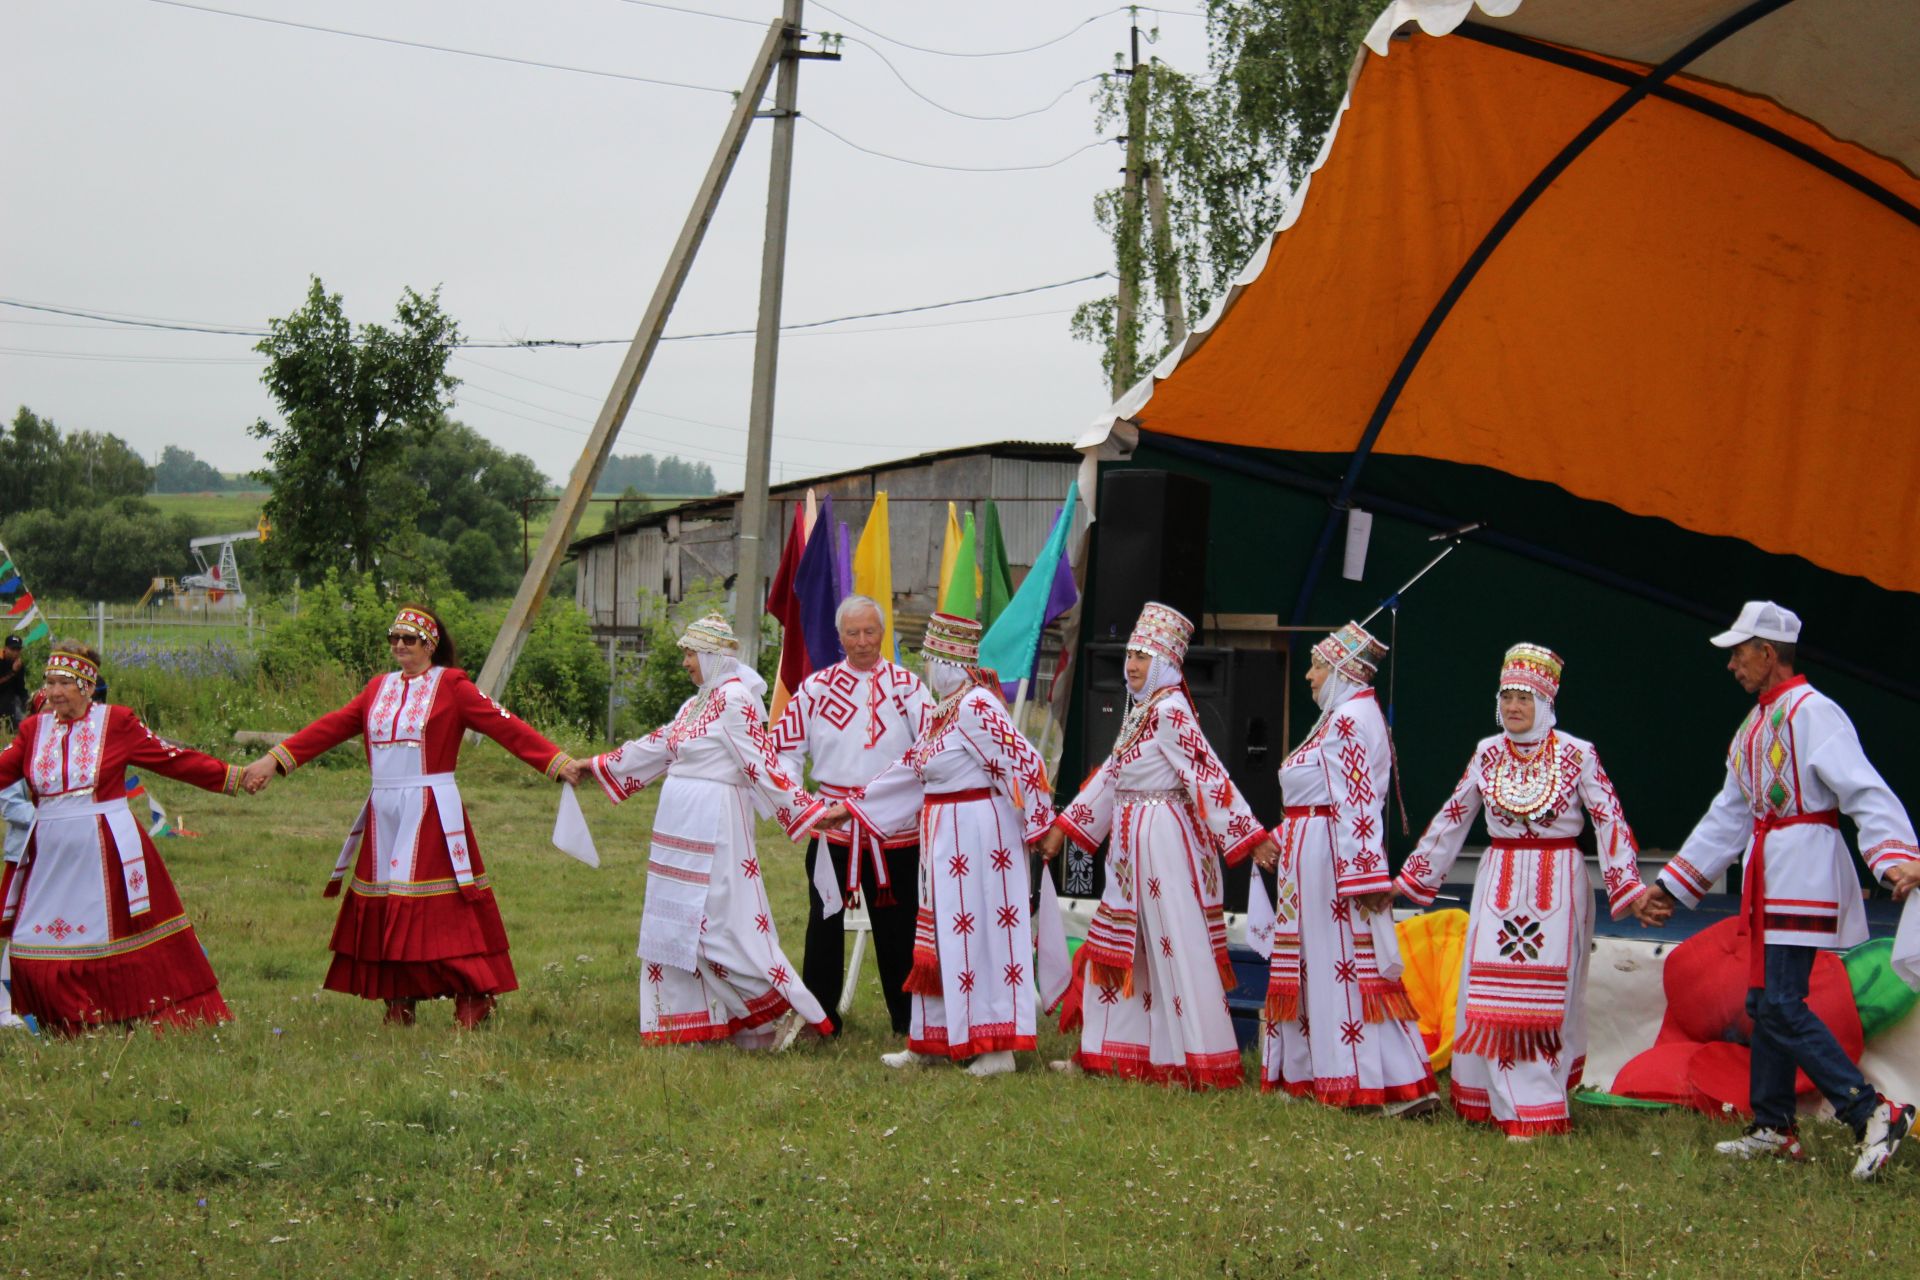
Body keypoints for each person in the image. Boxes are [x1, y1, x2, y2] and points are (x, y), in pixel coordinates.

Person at [1640, 601, 1920, 1180]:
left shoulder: (1817, 714)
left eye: (1740, 653)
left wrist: (1896, 859)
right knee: (1764, 1003)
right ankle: (1773, 1125)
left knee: (1783, 1002)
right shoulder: (1752, 729)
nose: (1732, 665)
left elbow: (1862, 788)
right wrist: (1674, 884)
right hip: (1769, 876)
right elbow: (1729, 815)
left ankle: (1872, 1111)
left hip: (1805, 871)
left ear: (1770, 654)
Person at [241, 606, 575, 1029]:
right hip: (385, 813)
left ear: (429, 645)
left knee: (442, 907)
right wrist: (275, 760)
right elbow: (331, 727)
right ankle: (399, 998)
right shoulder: (377, 688)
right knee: (387, 903)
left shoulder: (452, 685)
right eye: (394, 637)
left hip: (431, 809)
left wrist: (556, 762)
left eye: (410, 639)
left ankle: (473, 995)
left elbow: (503, 724)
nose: (400, 645)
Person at [1394, 644, 1659, 1138]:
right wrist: (1412, 878)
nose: (1515, 706)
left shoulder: (1577, 753)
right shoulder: (1487, 753)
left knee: (1544, 1000)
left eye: (1526, 697)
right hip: (1499, 880)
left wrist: (1629, 886)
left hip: (1558, 883)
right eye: (1508, 696)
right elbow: (1454, 817)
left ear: (1546, 702)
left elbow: (1609, 819)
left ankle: (1535, 1108)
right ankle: (1496, 1102)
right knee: (1491, 994)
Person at [1037, 602, 1278, 1089]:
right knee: (1122, 947)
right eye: (1130, 655)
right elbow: (1112, 775)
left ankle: (1196, 1059)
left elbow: (1206, 772)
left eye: (1143, 657)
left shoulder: (1170, 710)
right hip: (1132, 841)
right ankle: (1110, 1054)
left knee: (1173, 943)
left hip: (1164, 840)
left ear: (1166, 662)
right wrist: (1065, 825)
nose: (1131, 665)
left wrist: (1249, 835)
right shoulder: (1141, 711)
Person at [564, 613, 832, 1049]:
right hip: (678, 826)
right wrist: (594, 766)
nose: (686, 662)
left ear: (711, 655)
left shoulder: (736, 700)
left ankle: (786, 1011)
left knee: (718, 928)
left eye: (690, 653)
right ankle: (692, 1022)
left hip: (717, 827)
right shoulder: (694, 704)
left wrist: (810, 810)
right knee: (675, 924)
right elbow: (656, 746)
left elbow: (762, 764)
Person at [820, 613, 1056, 1077]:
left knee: (983, 936)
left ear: (951, 661)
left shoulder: (976, 706)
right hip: (946, 839)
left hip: (982, 840)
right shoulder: (943, 711)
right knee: (942, 937)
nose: (929, 669)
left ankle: (997, 1048)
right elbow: (909, 770)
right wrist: (853, 807)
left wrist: (1040, 824)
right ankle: (932, 1040)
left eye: (932, 659)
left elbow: (1023, 760)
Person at [0, 642, 244, 1033]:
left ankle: (121, 1016)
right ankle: (64, 1023)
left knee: (115, 938)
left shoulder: (116, 723)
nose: (54, 691)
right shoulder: (32, 730)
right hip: (49, 852)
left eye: (64, 682)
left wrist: (232, 777)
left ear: (86, 684)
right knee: (32, 943)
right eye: (49, 682)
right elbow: (3, 768)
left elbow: (173, 759)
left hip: (105, 849)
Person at [1257, 621, 1438, 1113]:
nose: (1309, 677)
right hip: (1319, 853)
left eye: (1317, 667)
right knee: (1329, 965)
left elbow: (1356, 803)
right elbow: (1323, 796)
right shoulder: (1349, 715)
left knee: (1339, 966)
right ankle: (1331, 1071)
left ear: (1339, 670)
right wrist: (1282, 836)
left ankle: (1357, 1079)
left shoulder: (1348, 720)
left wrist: (1362, 876)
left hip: (1330, 863)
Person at [773, 594, 932, 1038]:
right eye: (852, 633)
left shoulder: (909, 688)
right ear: (839, 636)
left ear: (884, 633)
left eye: (870, 631)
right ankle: (820, 1018)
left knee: (899, 929)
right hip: (831, 829)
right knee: (822, 925)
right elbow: (785, 750)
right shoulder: (816, 688)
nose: (862, 642)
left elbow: (931, 753)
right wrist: (802, 805)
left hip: (895, 829)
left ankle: (910, 1022)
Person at [0, 634, 27, 730]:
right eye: (12, 649)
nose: (15, 653)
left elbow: (20, 687)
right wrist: (13, 672)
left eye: (18, 650)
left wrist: (26, 700)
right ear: (5, 648)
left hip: (10, 698)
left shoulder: (19, 664)